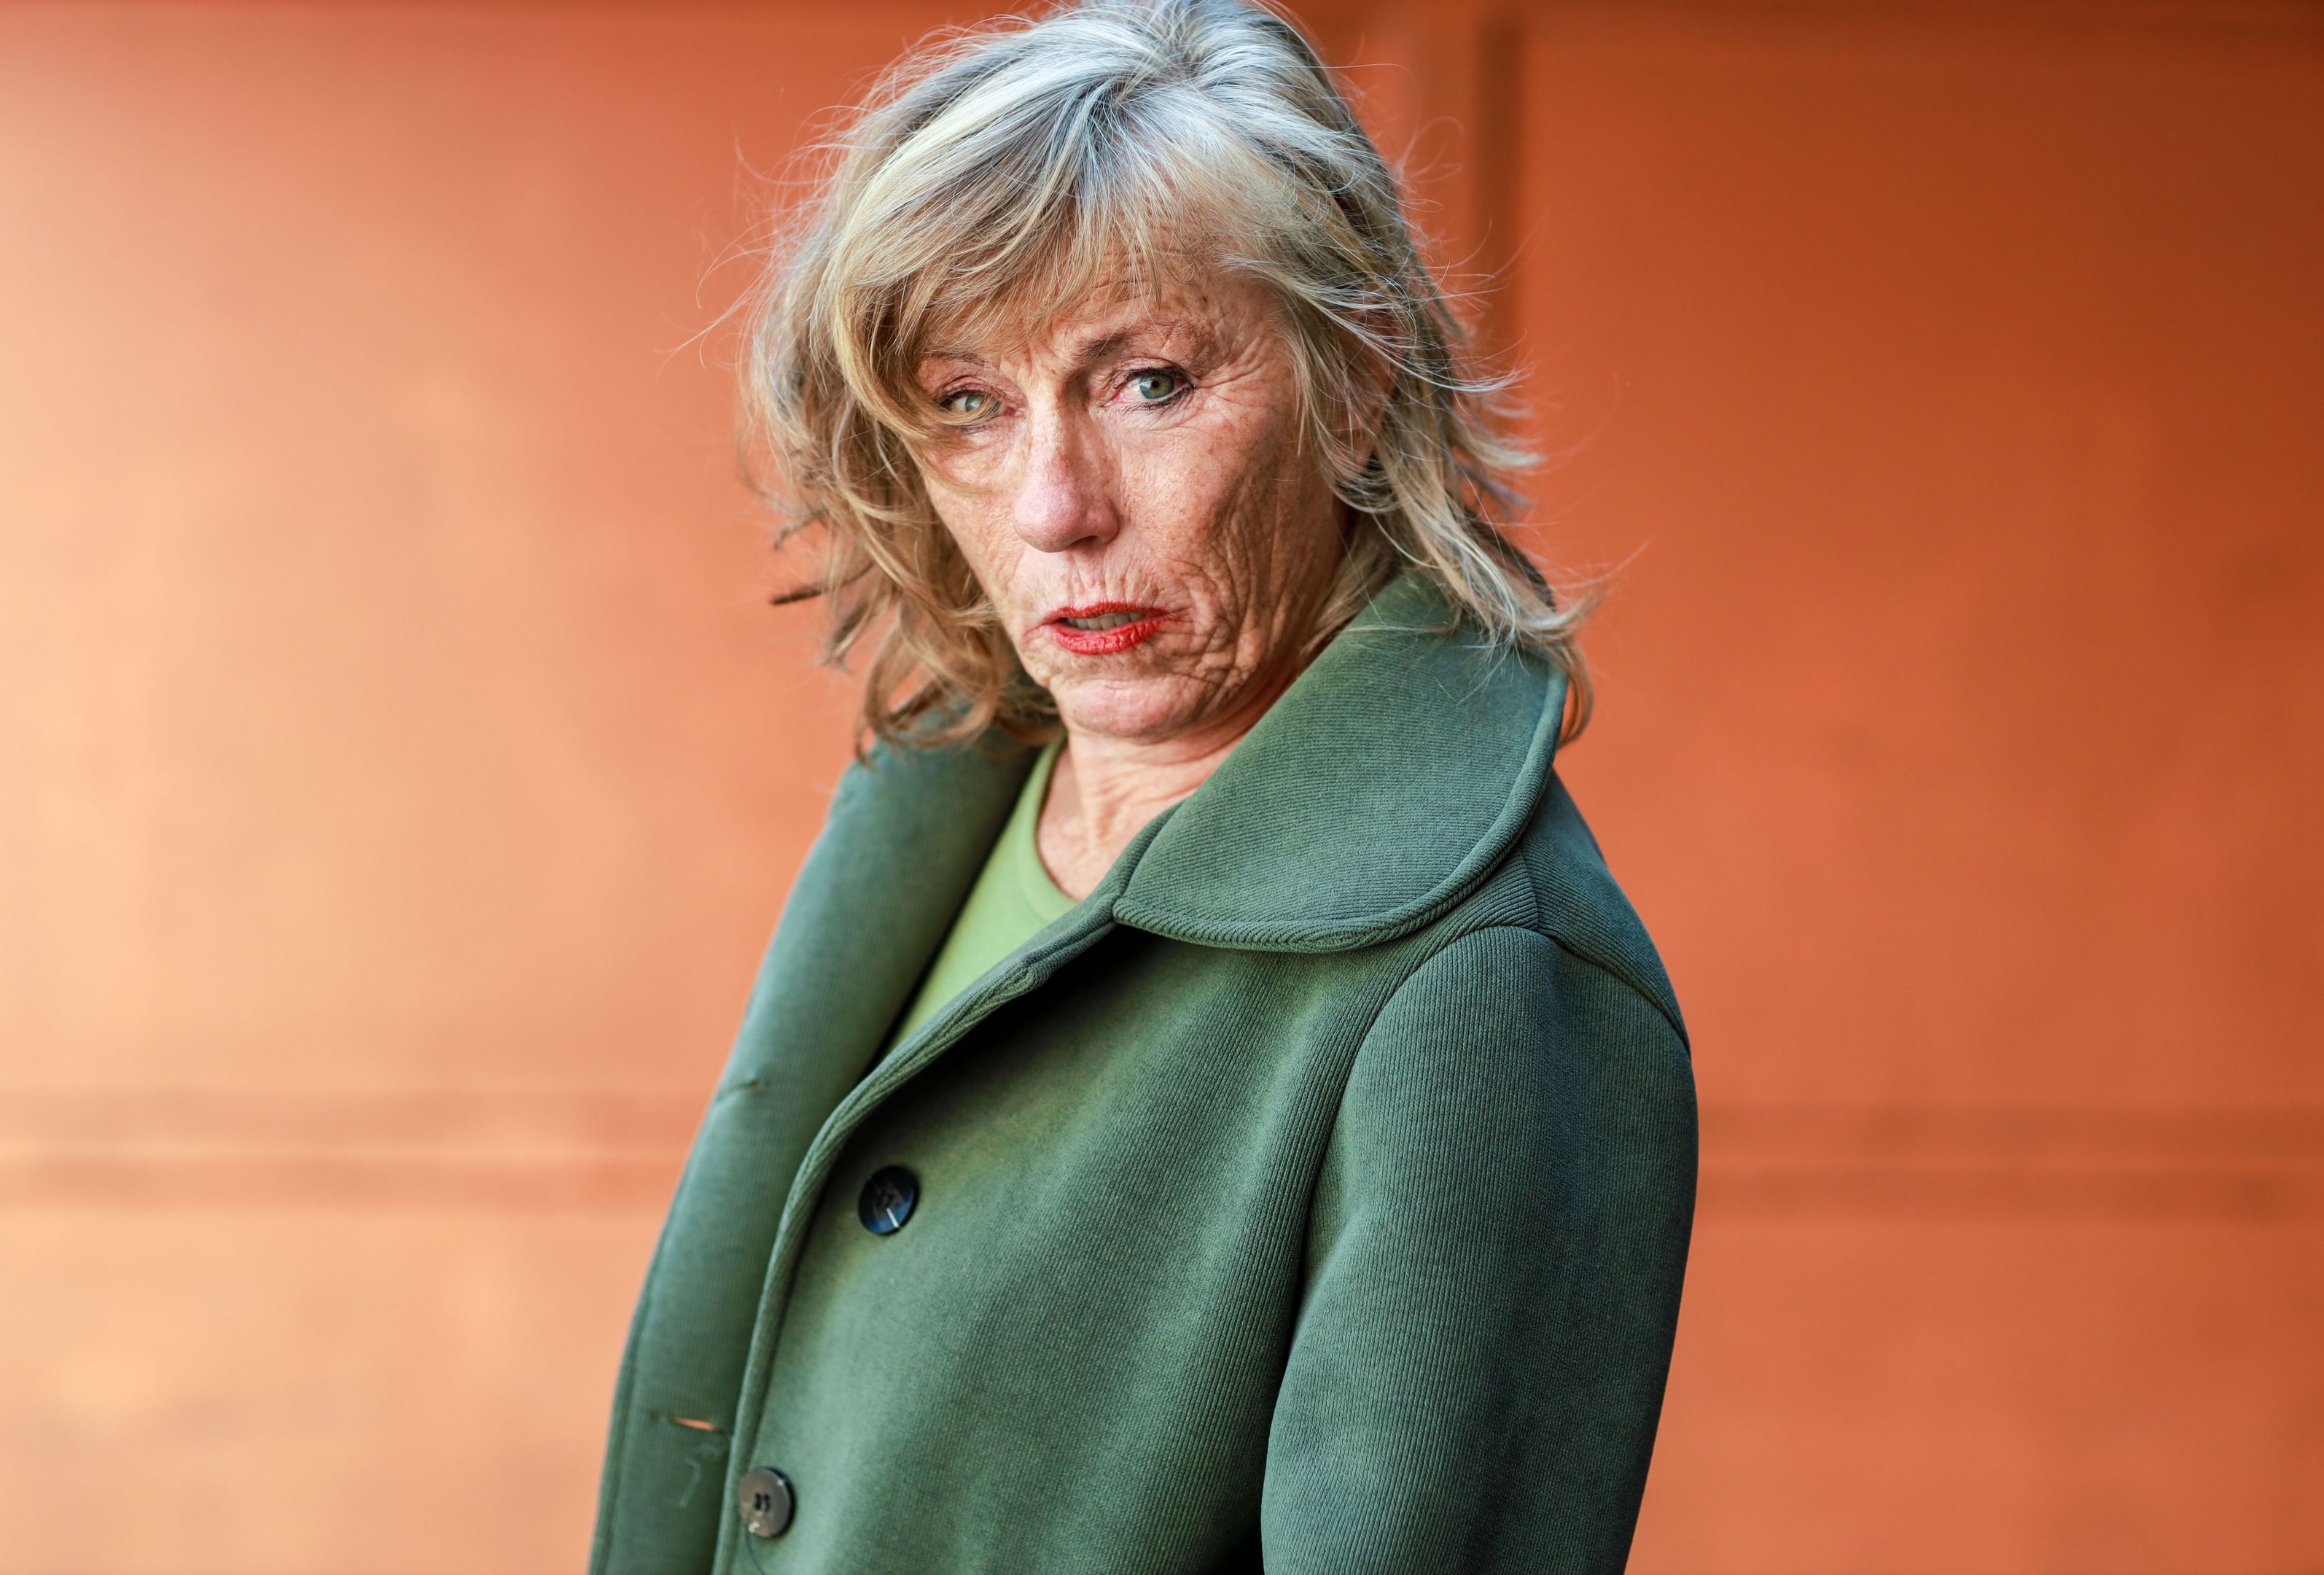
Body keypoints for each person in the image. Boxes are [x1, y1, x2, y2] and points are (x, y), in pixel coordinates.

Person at [590, 1, 1696, 1569]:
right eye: (969, 402)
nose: (1055, 507)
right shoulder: (946, 793)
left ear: (1356, 378)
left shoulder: (1484, 980)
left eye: (1150, 382)